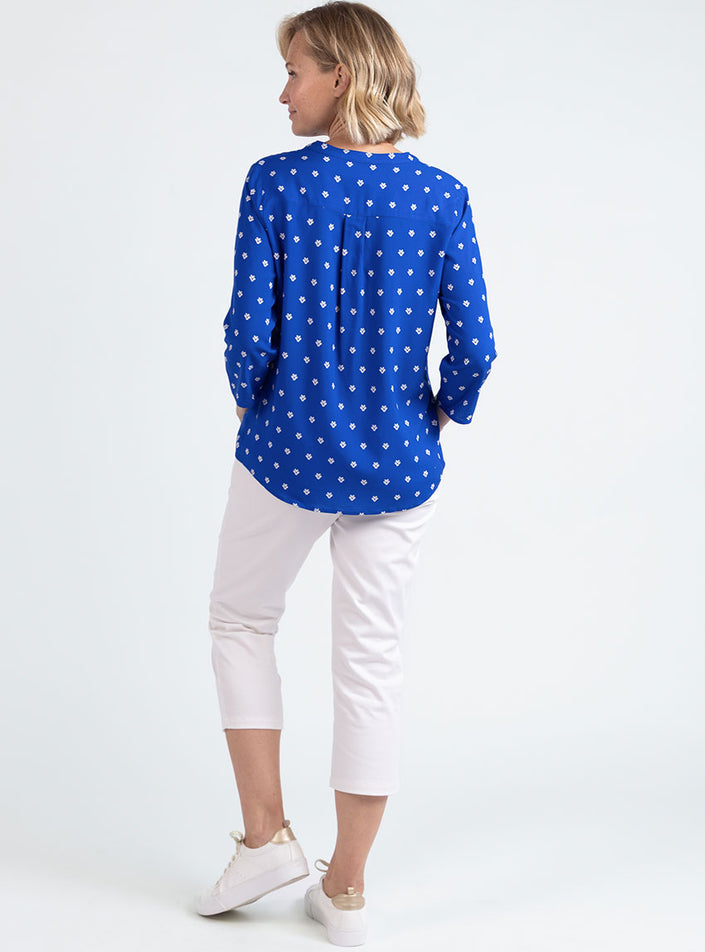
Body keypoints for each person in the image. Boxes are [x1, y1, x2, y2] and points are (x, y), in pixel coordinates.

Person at [195, 1, 497, 945]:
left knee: (241, 620)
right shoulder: (440, 195)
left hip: (283, 450)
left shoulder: (276, 183)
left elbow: (249, 326)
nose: (282, 92)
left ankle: (264, 842)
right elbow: (476, 345)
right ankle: (348, 890)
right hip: (398, 463)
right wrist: (440, 412)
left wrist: (248, 398)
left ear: (342, 76)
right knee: (371, 664)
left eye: (295, 71)